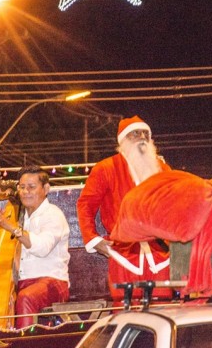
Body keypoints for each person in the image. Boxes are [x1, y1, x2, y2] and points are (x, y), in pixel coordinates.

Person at [77, 115, 171, 300]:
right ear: (124, 140)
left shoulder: (162, 169)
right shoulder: (105, 168)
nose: (142, 137)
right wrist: (93, 239)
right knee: (125, 308)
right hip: (123, 253)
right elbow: (85, 205)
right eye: (135, 133)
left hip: (159, 254)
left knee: (164, 308)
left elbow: (174, 205)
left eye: (145, 133)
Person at [0, 165, 70, 329]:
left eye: (31, 187)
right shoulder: (19, 215)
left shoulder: (53, 214)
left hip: (52, 282)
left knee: (26, 297)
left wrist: (11, 227)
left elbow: (42, 248)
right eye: (22, 187)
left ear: (46, 188)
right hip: (24, 283)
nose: (26, 191)